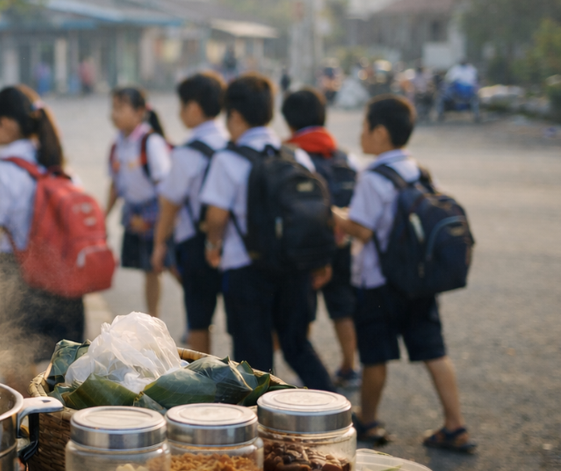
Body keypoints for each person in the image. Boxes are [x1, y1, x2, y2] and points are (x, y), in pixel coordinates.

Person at [332, 95, 475, 451]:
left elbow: (362, 229)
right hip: (417, 280)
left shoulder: (373, 175)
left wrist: (332, 214)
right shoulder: (420, 171)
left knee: (376, 355)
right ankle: (455, 426)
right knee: (433, 350)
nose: (362, 134)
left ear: (380, 133)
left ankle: (368, 421)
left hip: (379, 283)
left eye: (365, 127)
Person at [200, 74, 335, 392]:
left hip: (247, 271)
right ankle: (337, 414)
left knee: (253, 362)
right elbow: (317, 212)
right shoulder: (295, 156)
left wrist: (212, 245)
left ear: (233, 114)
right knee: (298, 347)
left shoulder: (227, 159)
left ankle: (261, 428)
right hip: (294, 267)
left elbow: (216, 217)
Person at [0, 85, 84, 363]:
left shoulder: (1, 172)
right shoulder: (62, 170)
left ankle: (31, 409)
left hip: (19, 281)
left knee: (14, 366)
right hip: (65, 284)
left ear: (7, 124)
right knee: (61, 373)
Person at [281, 88, 361, 389]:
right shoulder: (344, 154)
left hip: (312, 246)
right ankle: (349, 366)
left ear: (288, 121)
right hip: (345, 242)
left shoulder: (294, 155)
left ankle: (306, 365)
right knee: (342, 307)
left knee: (305, 307)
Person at [151, 72, 228, 354]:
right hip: (233, 243)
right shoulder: (233, 144)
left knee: (198, 319)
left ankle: (206, 380)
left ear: (193, 108)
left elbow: (169, 204)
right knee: (239, 321)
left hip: (197, 244)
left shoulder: (186, 153)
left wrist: (159, 243)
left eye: (181, 106)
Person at [106, 87, 172, 318]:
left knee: (167, 264)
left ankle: (190, 311)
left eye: (120, 108)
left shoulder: (151, 142)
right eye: (113, 108)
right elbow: (115, 185)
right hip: (133, 212)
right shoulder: (118, 144)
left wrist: (155, 222)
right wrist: (103, 217)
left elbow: (165, 189)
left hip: (156, 211)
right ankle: (154, 318)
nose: (114, 114)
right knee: (150, 269)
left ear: (139, 112)